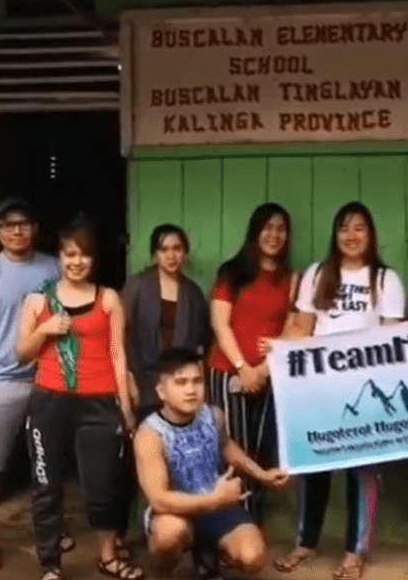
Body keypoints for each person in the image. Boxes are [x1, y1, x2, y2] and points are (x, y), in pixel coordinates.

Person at [274, 201, 405, 580]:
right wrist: (279, 354)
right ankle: (305, 543)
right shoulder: (318, 273)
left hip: (366, 387)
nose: (351, 235)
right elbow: (302, 326)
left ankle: (356, 551)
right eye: (344, 228)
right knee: (313, 467)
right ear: (335, 234)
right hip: (319, 387)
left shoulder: (385, 279)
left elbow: (393, 338)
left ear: (371, 234)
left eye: (359, 228)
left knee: (362, 473)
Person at [16, 215, 142, 580]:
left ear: (93, 260)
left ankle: (107, 555)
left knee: (103, 483)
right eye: (69, 254)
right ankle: (51, 565)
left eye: (84, 256)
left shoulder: (108, 299)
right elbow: (22, 354)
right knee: (46, 485)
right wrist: (45, 329)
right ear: (59, 256)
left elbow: (119, 354)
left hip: (99, 403)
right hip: (49, 402)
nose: (76, 262)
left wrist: (127, 408)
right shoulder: (38, 301)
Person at [133, 347, 288, 580]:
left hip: (217, 506)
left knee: (252, 557)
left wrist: (262, 474)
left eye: (197, 381)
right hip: (177, 513)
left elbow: (227, 447)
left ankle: (207, 553)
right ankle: (162, 573)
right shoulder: (150, 434)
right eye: (181, 383)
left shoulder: (213, 415)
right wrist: (215, 500)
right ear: (161, 391)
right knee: (169, 534)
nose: (191, 390)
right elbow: (159, 499)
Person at [0, 198, 60, 572]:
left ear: (35, 228)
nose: (17, 231)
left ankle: (50, 530)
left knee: (49, 462)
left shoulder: (54, 267)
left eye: (24, 224)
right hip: (0, 379)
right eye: (8, 225)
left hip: (46, 378)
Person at [116, 224, 211, 550]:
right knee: (140, 461)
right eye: (164, 249)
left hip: (178, 386)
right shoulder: (138, 286)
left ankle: (175, 528)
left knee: (178, 459)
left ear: (185, 253)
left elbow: (200, 347)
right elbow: (120, 334)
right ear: (155, 253)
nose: (171, 255)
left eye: (177, 249)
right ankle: (129, 531)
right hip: (142, 382)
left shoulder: (194, 293)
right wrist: (126, 378)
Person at [208, 203, 297, 523]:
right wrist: (243, 367)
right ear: (255, 231)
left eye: (281, 229)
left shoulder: (292, 278)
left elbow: (292, 328)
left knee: (260, 451)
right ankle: (227, 526)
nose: (274, 235)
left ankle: (251, 524)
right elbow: (220, 324)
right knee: (233, 450)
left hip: (270, 375)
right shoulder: (232, 271)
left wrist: (262, 370)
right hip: (228, 372)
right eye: (268, 227)